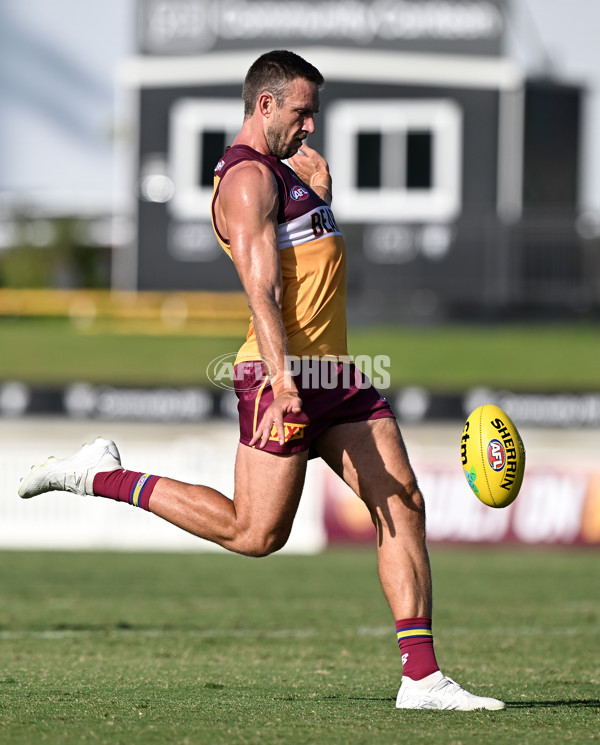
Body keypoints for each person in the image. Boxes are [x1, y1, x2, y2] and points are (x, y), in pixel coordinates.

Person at [19, 50, 504, 711]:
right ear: (266, 104)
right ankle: (100, 474)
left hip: (333, 370)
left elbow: (311, 268)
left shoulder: (292, 173)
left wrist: (327, 199)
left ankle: (420, 677)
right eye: (303, 114)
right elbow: (263, 288)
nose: (311, 128)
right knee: (256, 534)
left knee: (403, 503)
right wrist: (281, 381)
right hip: (282, 373)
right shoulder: (248, 180)